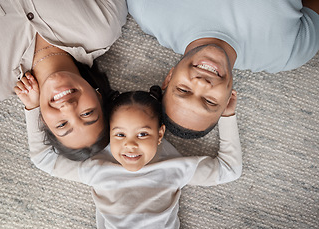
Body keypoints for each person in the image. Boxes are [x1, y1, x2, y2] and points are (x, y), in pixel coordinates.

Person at [24, 82, 242, 229]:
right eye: (119, 135)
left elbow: (229, 170)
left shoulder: (174, 169)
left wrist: (227, 116)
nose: (130, 145)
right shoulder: (98, 170)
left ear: (159, 134)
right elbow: (44, 159)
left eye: (143, 134)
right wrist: (33, 107)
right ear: (109, 134)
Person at [0, 0, 127, 159]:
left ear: (43, 121)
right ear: (98, 96)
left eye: (62, 125)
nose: (68, 107)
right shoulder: (102, 28)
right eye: (87, 113)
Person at [126, 0, 319, 139]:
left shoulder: (147, 9)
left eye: (184, 90)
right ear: (229, 100)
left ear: (169, 78)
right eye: (209, 101)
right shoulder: (288, 53)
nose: (201, 84)